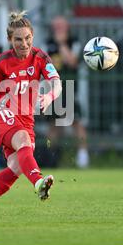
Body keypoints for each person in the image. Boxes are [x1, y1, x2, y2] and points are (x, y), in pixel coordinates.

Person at [0, 11, 62, 216]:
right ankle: (39, 183)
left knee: (16, 167)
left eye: (27, 38)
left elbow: (56, 82)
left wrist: (50, 96)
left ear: (32, 36)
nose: (24, 44)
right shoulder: (0, 63)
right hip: (1, 115)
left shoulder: (40, 56)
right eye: (18, 39)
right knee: (23, 140)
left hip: (26, 119)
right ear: (9, 40)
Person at [45, 15, 90, 169]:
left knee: (76, 123)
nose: (58, 29)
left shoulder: (74, 42)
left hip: (70, 88)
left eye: (61, 26)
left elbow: (72, 61)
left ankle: (83, 156)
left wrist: (61, 44)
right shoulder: (47, 43)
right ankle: (50, 158)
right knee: (54, 126)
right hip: (52, 90)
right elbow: (44, 65)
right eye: (56, 27)